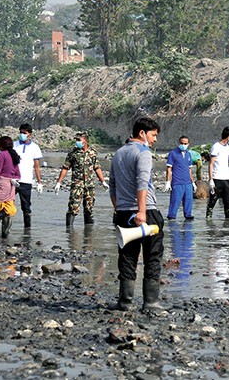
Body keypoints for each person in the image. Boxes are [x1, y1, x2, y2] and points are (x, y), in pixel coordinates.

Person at [109, 117, 165, 312]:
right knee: (153, 255)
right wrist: (141, 211)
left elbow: (112, 187)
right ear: (142, 133)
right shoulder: (143, 152)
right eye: (153, 135)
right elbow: (142, 183)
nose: (155, 139)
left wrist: (119, 209)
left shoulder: (118, 153)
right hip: (146, 211)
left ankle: (125, 302)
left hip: (124, 213)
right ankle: (151, 302)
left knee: (126, 256)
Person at [55, 131, 107, 226]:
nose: (77, 142)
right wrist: (59, 182)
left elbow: (97, 167)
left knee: (89, 208)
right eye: (76, 140)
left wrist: (103, 181)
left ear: (85, 141)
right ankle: (69, 233)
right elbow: (65, 168)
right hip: (77, 185)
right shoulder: (73, 153)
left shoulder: (92, 152)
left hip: (89, 185)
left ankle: (88, 234)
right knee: (73, 208)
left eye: (79, 140)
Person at [13, 123, 44, 229]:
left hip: (26, 181)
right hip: (13, 180)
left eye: (24, 133)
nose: (22, 135)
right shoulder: (14, 145)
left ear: (30, 134)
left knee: (26, 207)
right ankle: (0, 230)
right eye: (20, 132)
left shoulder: (35, 148)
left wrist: (39, 182)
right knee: (6, 204)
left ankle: (27, 231)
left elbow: (36, 166)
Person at [206, 127, 229, 219]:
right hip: (217, 178)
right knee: (213, 201)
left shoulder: (227, 147)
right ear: (228, 136)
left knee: (228, 203)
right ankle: (209, 220)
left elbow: (226, 163)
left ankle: (228, 225)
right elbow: (211, 164)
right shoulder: (216, 146)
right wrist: (211, 180)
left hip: (226, 178)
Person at [164, 135, 196, 220]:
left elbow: (189, 170)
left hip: (187, 183)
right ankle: (171, 218)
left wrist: (192, 182)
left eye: (185, 143)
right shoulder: (173, 153)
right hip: (177, 183)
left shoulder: (189, 154)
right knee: (175, 202)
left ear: (188, 144)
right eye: (181, 143)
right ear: (179, 143)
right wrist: (167, 182)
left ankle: (188, 218)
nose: (183, 145)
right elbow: (169, 168)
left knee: (188, 202)